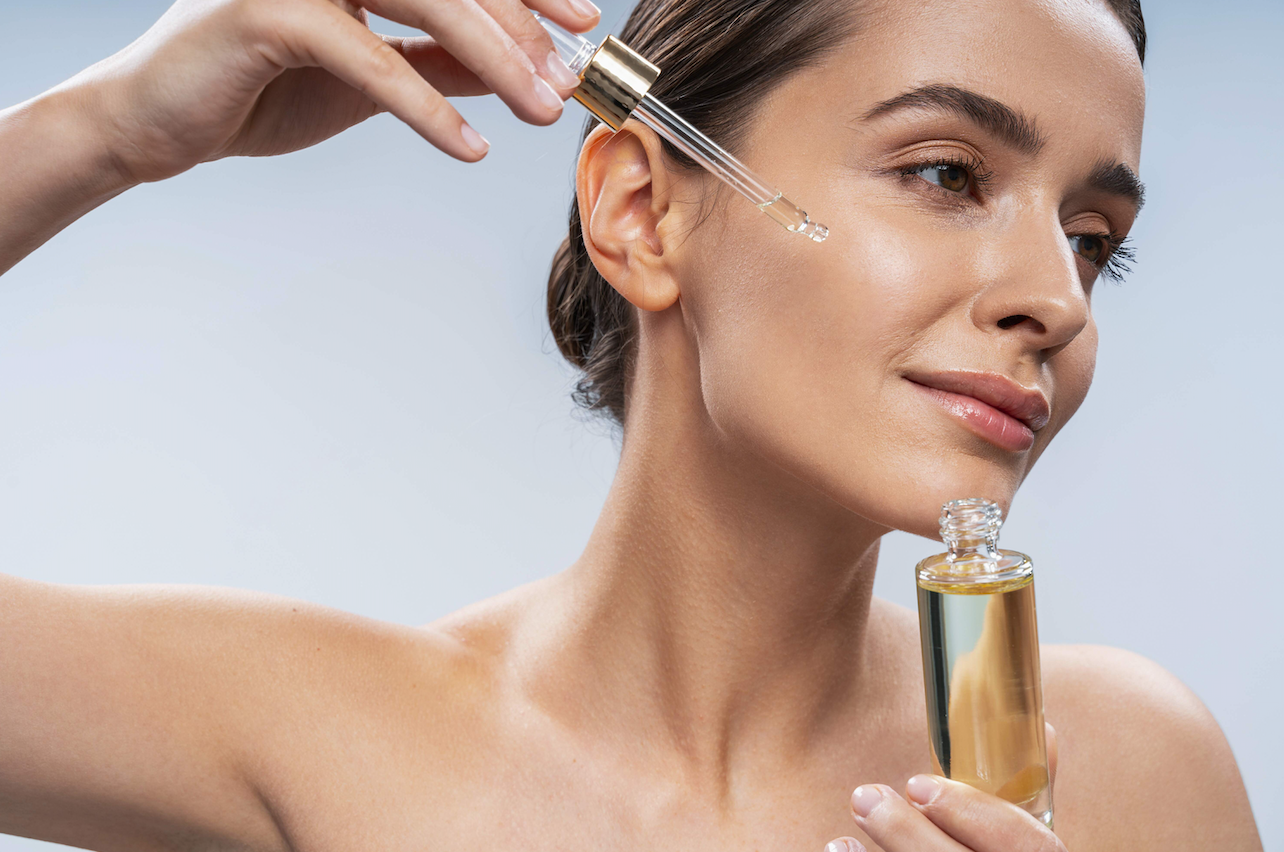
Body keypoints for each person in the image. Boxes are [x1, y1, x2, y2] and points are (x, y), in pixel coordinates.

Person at [0, 0, 1264, 849]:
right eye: (946, 174)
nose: (1055, 299)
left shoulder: (1122, 777)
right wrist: (101, 130)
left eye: (1096, 241)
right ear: (642, 214)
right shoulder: (337, 739)